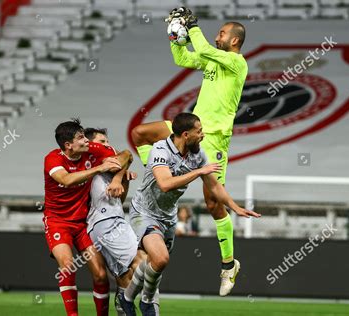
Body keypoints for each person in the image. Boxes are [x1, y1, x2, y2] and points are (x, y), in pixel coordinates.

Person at [131, 8, 248, 296]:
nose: (218, 36)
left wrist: (192, 26)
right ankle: (158, 168)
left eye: (222, 33)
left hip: (214, 139)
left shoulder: (236, 63)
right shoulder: (213, 62)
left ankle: (228, 264)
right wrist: (175, 36)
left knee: (213, 202)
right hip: (190, 129)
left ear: (234, 41)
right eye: (218, 32)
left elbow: (205, 47)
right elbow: (182, 58)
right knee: (139, 133)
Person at [121, 113, 260, 316]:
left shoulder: (197, 155)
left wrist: (234, 206)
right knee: (160, 259)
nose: (203, 135)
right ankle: (147, 302)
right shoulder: (160, 150)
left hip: (168, 216)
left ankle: (126, 298)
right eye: (199, 131)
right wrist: (198, 172)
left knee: (155, 264)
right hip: (144, 212)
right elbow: (165, 184)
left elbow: (213, 185)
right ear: (186, 134)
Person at [43, 119, 131, 316]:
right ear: (68, 145)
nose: (86, 141)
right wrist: (98, 168)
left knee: (100, 275)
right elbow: (65, 179)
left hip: (83, 223)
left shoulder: (90, 149)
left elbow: (126, 155)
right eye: (80, 137)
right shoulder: (53, 159)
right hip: (58, 222)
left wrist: (119, 175)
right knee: (67, 266)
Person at [84, 128, 159, 316]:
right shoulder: (96, 161)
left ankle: (122, 301)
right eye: (102, 141)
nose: (107, 144)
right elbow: (127, 154)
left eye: (107, 140)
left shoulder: (105, 166)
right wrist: (120, 174)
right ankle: (147, 307)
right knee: (147, 261)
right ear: (91, 145)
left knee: (126, 277)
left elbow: (118, 197)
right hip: (107, 222)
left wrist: (122, 180)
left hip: (107, 222)